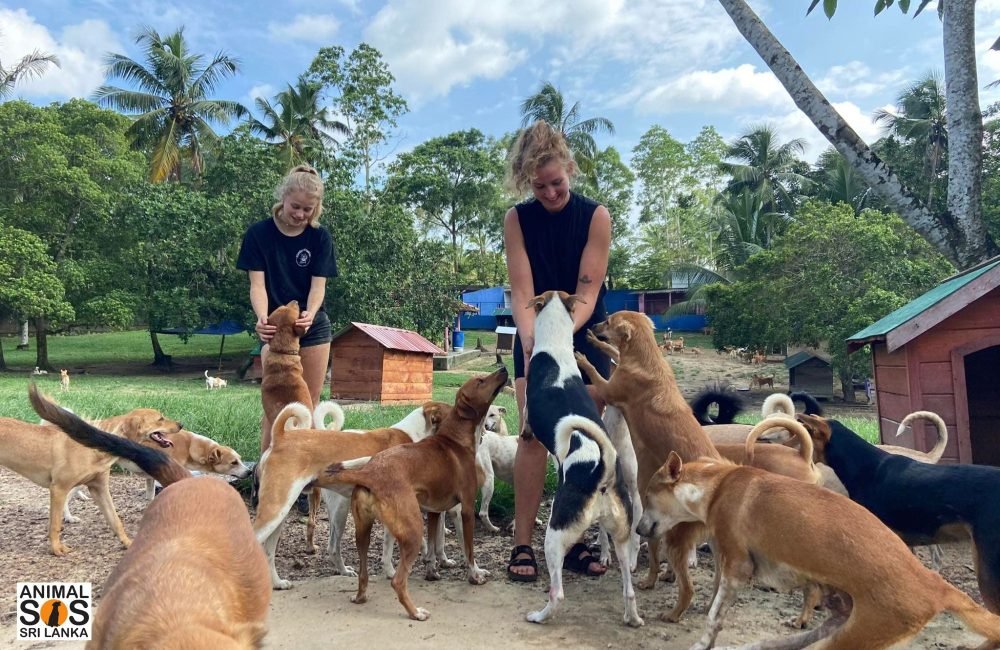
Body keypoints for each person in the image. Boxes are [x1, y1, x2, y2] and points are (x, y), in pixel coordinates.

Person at [503, 120, 612, 582]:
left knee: (583, 440)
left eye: (557, 183)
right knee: (531, 436)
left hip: (583, 336)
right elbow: (521, 289)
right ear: (526, 182)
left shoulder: (595, 216)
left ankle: (574, 539)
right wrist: (533, 343)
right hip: (534, 334)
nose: (549, 193)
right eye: (539, 186)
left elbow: (587, 291)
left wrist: (560, 337)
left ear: (570, 168)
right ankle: (522, 543)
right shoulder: (517, 220)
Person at [237, 164, 338, 454]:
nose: (300, 214)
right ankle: (265, 471)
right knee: (275, 409)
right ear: (283, 197)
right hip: (275, 329)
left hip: (311, 325)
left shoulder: (320, 237)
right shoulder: (258, 234)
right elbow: (257, 285)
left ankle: (306, 474)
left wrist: (310, 313)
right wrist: (262, 317)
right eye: (296, 206)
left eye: (308, 209)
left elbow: (318, 287)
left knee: (309, 404)